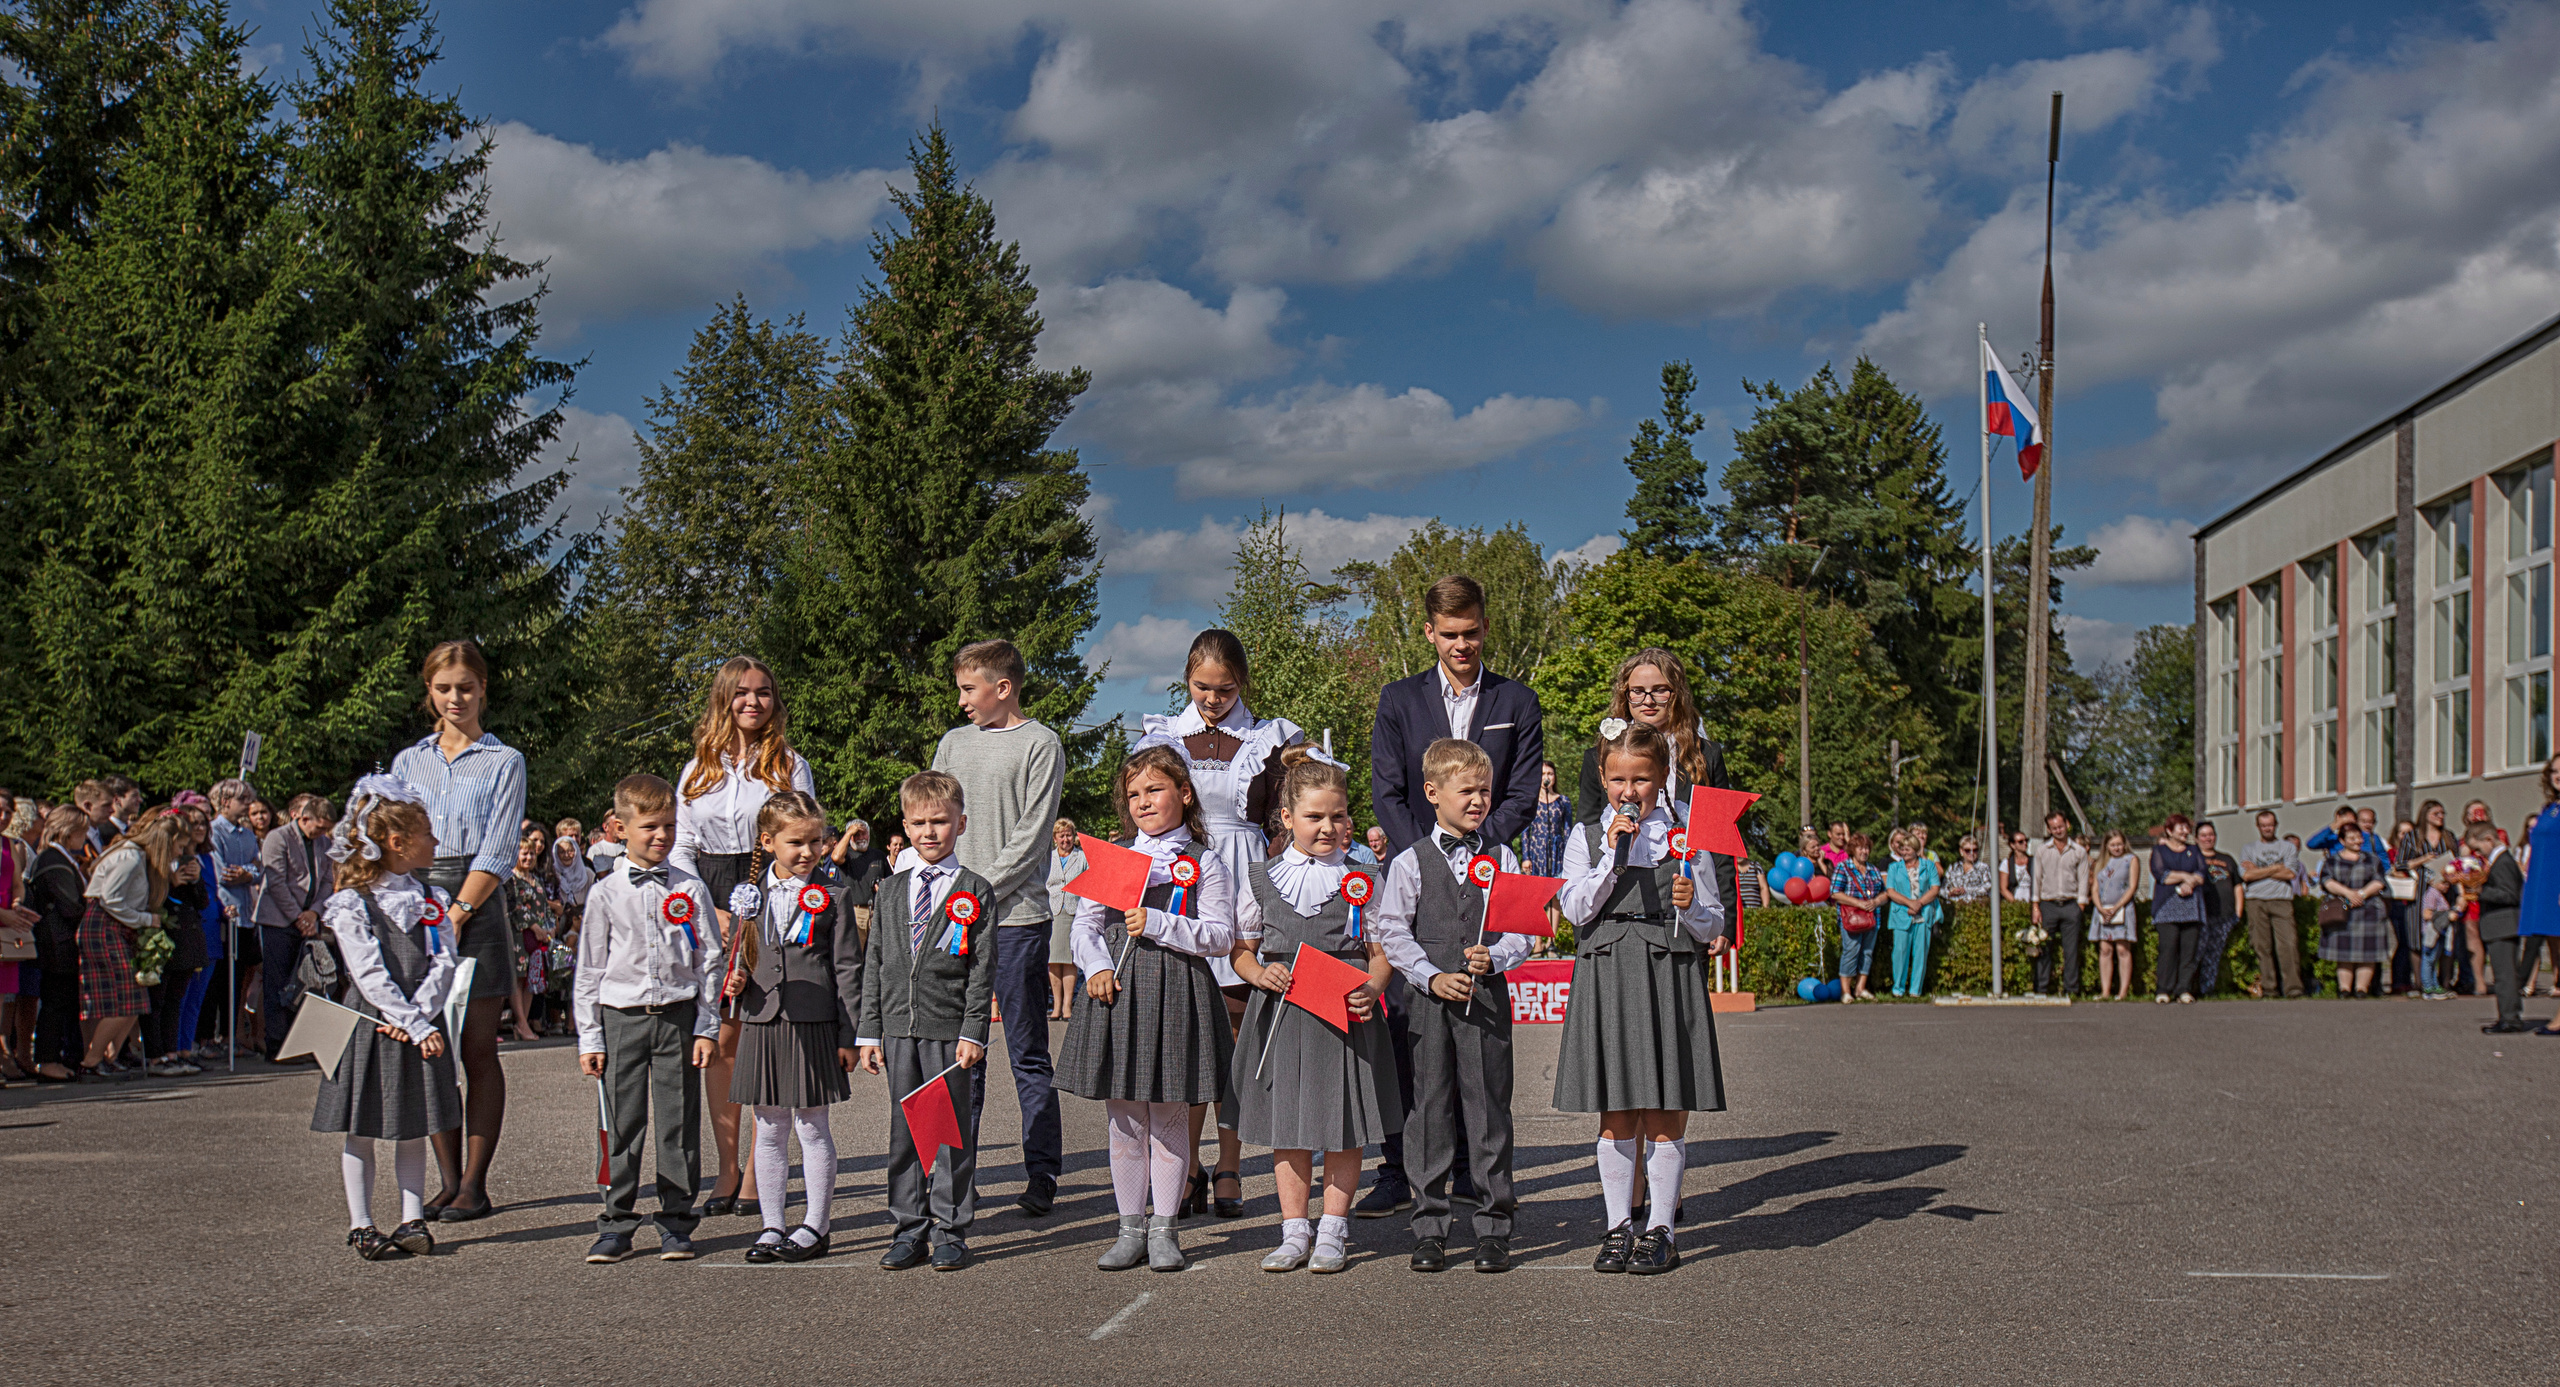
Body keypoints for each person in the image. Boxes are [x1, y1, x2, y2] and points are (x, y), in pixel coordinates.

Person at [1367, 578, 1542, 1219]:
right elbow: (1388, 790)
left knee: (1477, 1036)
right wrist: (1426, 855)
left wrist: (1478, 851)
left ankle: (1471, 1171)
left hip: (1486, 873)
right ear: (1429, 632)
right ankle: (1399, 1169)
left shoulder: (1516, 701)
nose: (1461, 644)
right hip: (1417, 871)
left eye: (1471, 632)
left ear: (1485, 627)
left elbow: (1521, 793)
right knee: (1408, 1029)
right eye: (1449, 634)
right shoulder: (1398, 699)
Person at [1133, 630, 1302, 1218]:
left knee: (1236, 1033)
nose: (1212, 698)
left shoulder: (1273, 739)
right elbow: (1139, 808)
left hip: (1248, 876)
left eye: (1225, 689)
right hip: (1183, 877)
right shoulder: (1161, 737)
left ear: (1242, 683)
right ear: (1186, 680)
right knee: (1184, 1033)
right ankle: (1186, 1165)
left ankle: (1229, 1164)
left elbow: (1288, 819)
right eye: (1201, 687)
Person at [1056, 744, 1237, 1273]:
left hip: (1177, 991)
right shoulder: (1114, 857)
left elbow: (1221, 935)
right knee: (1124, 1120)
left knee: (1168, 1115)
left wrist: (1158, 923)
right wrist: (1095, 967)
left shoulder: (1204, 861)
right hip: (1117, 993)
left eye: (1154, 789)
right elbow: (1086, 925)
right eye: (1133, 793)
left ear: (1184, 793)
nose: (1143, 801)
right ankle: (1129, 1228)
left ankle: (1165, 1228)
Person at [1555, 723, 1725, 1275]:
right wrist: (1612, 855)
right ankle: (1617, 1227)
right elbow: (1575, 909)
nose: (1629, 791)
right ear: (1603, 779)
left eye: (1642, 780)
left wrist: (1692, 904)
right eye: (1618, 780)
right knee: (1617, 1108)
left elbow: (1713, 922)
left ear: (1663, 777)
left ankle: (1662, 1229)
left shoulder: (1685, 835)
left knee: (1665, 1105)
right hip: (1606, 970)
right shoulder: (1586, 836)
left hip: (1667, 970)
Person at [1230, 747, 1401, 1274]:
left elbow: (1381, 955)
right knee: (1288, 1125)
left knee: (1343, 1123)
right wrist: (1259, 974)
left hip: (1344, 1015)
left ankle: (1333, 1229)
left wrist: (1372, 988)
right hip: (1282, 1015)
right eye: (1314, 816)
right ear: (1287, 817)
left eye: (1338, 815)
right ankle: (1293, 1231)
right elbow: (1241, 951)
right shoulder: (1262, 878)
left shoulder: (1364, 877)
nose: (1328, 827)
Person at [1368, 739, 1526, 1274]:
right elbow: (1392, 931)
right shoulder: (1409, 861)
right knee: (1429, 1110)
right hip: (1427, 1002)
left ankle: (1494, 1226)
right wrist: (1431, 976)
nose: (1479, 800)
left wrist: (1497, 955)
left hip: (1485, 1000)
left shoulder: (1503, 857)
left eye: (1485, 790)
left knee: (1488, 1111)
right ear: (1433, 793)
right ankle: (1430, 1227)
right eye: (1467, 791)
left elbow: (1522, 931)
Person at [669, 655, 816, 1221]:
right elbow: (681, 846)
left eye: (763, 692)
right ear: (724, 698)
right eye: (742, 692)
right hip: (707, 894)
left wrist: (763, 907)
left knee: (763, 1031)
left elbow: (802, 836)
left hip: (770, 891)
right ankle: (726, 1168)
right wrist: (707, 908)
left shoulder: (790, 765)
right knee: (722, 1039)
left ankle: (760, 1170)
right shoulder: (696, 770)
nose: (753, 702)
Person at [929, 641, 1069, 1222]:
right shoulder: (952, 744)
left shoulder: (1041, 744)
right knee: (961, 1054)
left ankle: (1042, 1172)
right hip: (952, 922)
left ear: (1002, 687)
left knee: (1028, 1053)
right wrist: (943, 893)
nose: (962, 700)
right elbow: (934, 816)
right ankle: (956, 1177)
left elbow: (1034, 835)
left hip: (1017, 921)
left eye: (969, 688)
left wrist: (978, 891)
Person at [389, 638, 528, 1222]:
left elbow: (498, 848)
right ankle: (446, 1181)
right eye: (444, 688)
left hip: (478, 902)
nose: (455, 698)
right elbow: (392, 837)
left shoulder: (504, 760)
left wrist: (457, 914)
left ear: (482, 689)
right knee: (431, 1045)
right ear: (429, 691)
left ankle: (475, 1183)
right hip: (417, 901)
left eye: (465, 688)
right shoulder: (406, 762)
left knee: (476, 1046)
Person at [313, 776, 463, 1262]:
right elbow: (368, 973)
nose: (435, 842)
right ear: (398, 843)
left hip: (420, 1022)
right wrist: (411, 1023)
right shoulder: (353, 903)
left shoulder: (432, 898)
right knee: (361, 1127)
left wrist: (421, 1016)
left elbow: (444, 962)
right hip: (372, 1023)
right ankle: (361, 1224)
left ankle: (411, 1218)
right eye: (427, 835)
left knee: (413, 1122)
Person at [574, 775, 720, 1263]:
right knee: (620, 1124)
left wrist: (706, 1026)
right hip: (622, 1020)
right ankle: (615, 1222)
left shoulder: (690, 888)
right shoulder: (605, 893)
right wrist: (590, 1038)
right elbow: (590, 969)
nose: (662, 836)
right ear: (620, 828)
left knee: (678, 1124)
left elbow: (709, 962)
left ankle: (677, 1221)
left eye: (670, 826)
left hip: (677, 1017)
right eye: (650, 827)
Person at [857, 770, 999, 1272]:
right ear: (905, 826)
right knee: (905, 1133)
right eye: (918, 823)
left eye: (939, 821)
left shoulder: (975, 890)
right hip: (898, 1031)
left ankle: (950, 1229)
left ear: (961, 823)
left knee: (948, 1133)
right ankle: (909, 1228)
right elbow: (875, 960)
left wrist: (973, 1031)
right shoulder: (892, 890)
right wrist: (869, 1030)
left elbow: (982, 971)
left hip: (948, 1032)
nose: (929, 832)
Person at [725, 791, 862, 1264]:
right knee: (768, 1127)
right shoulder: (749, 897)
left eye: (816, 842)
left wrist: (849, 1036)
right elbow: (739, 957)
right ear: (768, 842)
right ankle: (772, 1224)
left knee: (812, 1124)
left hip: (813, 1023)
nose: (808, 852)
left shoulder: (835, 895)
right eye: (796, 843)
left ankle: (816, 1225)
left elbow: (847, 968)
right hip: (762, 1021)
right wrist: (736, 979)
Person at [79, 810, 188, 1075]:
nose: (179, 853)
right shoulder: (129, 857)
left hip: (119, 926)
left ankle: (110, 1056)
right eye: (179, 846)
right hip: (104, 926)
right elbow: (110, 899)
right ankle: (91, 1061)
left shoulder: (139, 858)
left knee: (136, 999)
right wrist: (145, 919)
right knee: (126, 998)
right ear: (166, 841)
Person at [257, 794, 337, 1059]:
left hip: (309, 920)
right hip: (279, 922)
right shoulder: (278, 838)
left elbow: (327, 880)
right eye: (319, 827)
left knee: (306, 984)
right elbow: (276, 882)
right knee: (278, 984)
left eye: (326, 829)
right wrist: (298, 917)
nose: (322, 833)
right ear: (304, 819)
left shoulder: (323, 842)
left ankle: (301, 1043)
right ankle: (278, 1045)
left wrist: (314, 913)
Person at [2234, 812, 2304, 999]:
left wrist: (2259, 870)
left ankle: (2293, 987)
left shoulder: (2287, 847)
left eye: (2270, 825)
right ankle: (2269, 987)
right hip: (2256, 899)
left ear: (2276, 825)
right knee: (2261, 945)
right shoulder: (2249, 848)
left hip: (2282, 899)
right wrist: (2276, 868)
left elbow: (2290, 874)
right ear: (2258, 826)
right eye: (2264, 825)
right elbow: (2246, 875)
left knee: (2288, 944)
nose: (2267, 828)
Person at [2319, 828, 2390, 998]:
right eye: (2352, 838)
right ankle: (2344, 989)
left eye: (2359, 837)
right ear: (2342, 841)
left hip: (2369, 910)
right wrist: (2348, 893)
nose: (2357, 841)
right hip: (2341, 911)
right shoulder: (2332, 861)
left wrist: (2361, 894)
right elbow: (2326, 881)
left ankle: (2361, 988)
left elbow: (2379, 881)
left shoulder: (2372, 859)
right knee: (2343, 952)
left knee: (2368, 953)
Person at [2514, 755, 2560, 1011]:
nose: (2558, 775)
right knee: (2536, 941)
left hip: (2556, 885)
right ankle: (2512, 1009)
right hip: (2541, 884)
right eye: (2554, 771)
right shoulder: (2549, 808)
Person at [2030, 812, 2092, 996]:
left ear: (2067, 825)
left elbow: (2083, 880)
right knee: (2043, 948)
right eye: (2054, 828)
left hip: (2071, 904)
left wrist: (2080, 906)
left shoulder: (2079, 851)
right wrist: (2035, 906)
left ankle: (2071, 989)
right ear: (2049, 829)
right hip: (2048, 904)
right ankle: (2041, 988)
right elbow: (2037, 879)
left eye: (2060, 826)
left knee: (2071, 950)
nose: (2058, 830)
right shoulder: (2042, 850)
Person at [504, 827, 556, 1042]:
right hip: (520, 936)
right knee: (518, 979)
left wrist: (550, 928)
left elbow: (545, 908)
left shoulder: (536, 880)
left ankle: (522, 1023)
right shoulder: (512, 880)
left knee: (530, 980)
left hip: (538, 939)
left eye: (532, 854)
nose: (529, 857)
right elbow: (515, 908)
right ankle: (521, 1022)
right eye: (524, 853)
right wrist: (535, 927)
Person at [2150, 815, 2207, 1003]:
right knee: (2168, 948)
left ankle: (2184, 989)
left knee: (2189, 950)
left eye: (2186, 828)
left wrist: (2190, 883)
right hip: (2167, 907)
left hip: (2191, 907)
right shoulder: (2159, 851)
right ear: (2169, 830)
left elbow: (2201, 873)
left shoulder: (2194, 850)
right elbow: (2162, 875)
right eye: (2180, 828)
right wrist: (2185, 876)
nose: (2185, 832)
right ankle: (2163, 989)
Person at [1881, 829, 1942, 998]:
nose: (1904, 852)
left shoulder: (1929, 866)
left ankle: (1916, 990)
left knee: (1920, 953)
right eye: (1902, 849)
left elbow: (1935, 888)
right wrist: (1910, 903)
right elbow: (1891, 891)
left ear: (1915, 850)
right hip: (1902, 914)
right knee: (1900, 953)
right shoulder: (1894, 867)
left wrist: (1919, 903)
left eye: (1907, 849)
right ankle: (1898, 989)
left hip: (1924, 914)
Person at [1830, 835, 1885, 1002]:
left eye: (1867, 848)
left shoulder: (1873, 870)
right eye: (1860, 848)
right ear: (1853, 850)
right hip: (1851, 918)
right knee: (1851, 951)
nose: (1864, 851)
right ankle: (1845, 991)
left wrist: (1876, 901)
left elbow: (1885, 892)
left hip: (1872, 917)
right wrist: (1858, 903)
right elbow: (1835, 893)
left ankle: (1860, 988)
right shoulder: (1843, 867)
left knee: (1867, 953)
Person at [2088, 831, 2139, 1001]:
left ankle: (2123, 992)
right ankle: (2105, 991)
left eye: (2119, 844)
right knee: (2105, 949)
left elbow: (2132, 886)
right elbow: (2095, 888)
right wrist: (2100, 907)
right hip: (2103, 910)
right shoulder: (2100, 863)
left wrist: (2117, 907)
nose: (2117, 848)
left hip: (2123, 908)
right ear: (2107, 846)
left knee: (2122, 949)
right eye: (2113, 845)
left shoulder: (2131, 860)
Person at [2194, 821, 2241, 996]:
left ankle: (2207, 990)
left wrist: (2238, 912)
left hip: (2224, 915)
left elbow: (2237, 886)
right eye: (2204, 835)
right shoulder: (2193, 858)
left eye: (2211, 835)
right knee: (2195, 953)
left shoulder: (2227, 859)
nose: (2208, 838)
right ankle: (2188, 988)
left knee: (2213, 955)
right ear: (2196, 838)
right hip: (2200, 915)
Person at [1048, 819, 1086, 1021]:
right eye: (1061, 836)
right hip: (1053, 911)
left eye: (1069, 835)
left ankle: (1067, 1006)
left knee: (1070, 960)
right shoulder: (1048, 857)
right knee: (1053, 960)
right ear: (1055, 838)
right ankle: (1056, 1006)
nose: (1065, 839)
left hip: (1074, 911)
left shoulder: (1082, 857)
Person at [1523, 761, 1571, 878]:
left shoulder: (1563, 801)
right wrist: (1526, 857)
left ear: (1554, 777)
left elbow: (1568, 831)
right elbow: (1525, 832)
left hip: (1557, 850)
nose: (1546, 777)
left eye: (1550, 774)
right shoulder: (1531, 802)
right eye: (1543, 774)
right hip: (1536, 850)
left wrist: (1569, 857)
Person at [1943, 836, 1994, 905]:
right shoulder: (1953, 867)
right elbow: (1943, 888)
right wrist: (1950, 892)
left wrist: (1966, 890)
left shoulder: (1984, 868)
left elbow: (1988, 888)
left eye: (1975, 850)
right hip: (1953, 906)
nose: (1972, 853)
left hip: (1975, 906)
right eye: (1967, 850)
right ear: (1961, 851)